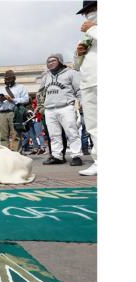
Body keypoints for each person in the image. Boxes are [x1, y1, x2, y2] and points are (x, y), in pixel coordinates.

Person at [39, 53, 83, 166]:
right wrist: (41, 106)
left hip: (66, 106)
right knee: (54, 135)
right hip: (49, 109)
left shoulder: (71, 73)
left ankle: (76, 155)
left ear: (60, 61)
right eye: (48, 61)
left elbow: (78, 89)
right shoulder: (45, 76)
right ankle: (57, 156)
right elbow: (41, 92)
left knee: (72, 132)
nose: (50, 63)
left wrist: (81, 101)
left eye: (53, 60)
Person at [75, 0, 97, 176]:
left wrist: (92, 28)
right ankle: (99, 161)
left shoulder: (93, 30)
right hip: (88, 82)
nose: (90, 13)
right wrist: (79, 54)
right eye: (87, 11)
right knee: (93, 126)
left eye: (94, 9)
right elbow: (76, 65)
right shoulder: (89, 34)